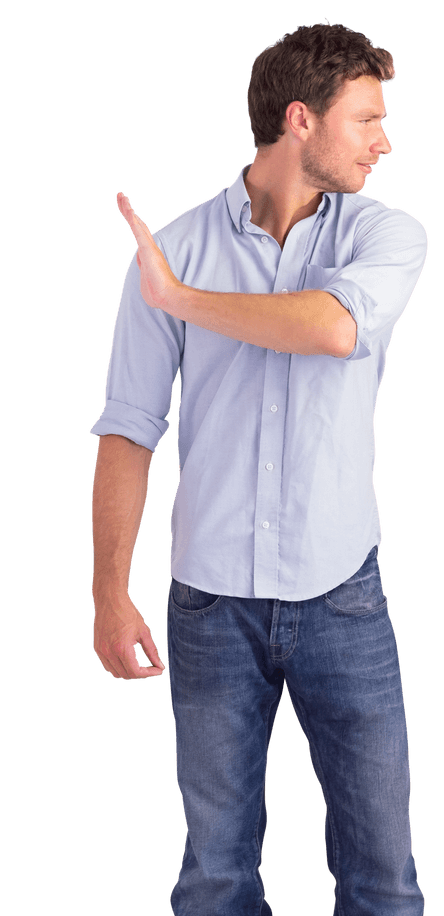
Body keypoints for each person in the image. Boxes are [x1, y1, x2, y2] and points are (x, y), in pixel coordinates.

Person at [89, 23, 427, 916]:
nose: (384, 142)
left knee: (384, 877)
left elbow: (334, 330)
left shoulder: (388, 237)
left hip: (342, 595)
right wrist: (108, 590)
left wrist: (181, 300)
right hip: (208, 606)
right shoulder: (174, 248)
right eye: (368, 120)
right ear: (300, 120)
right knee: (215, 876)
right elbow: (128, 428)